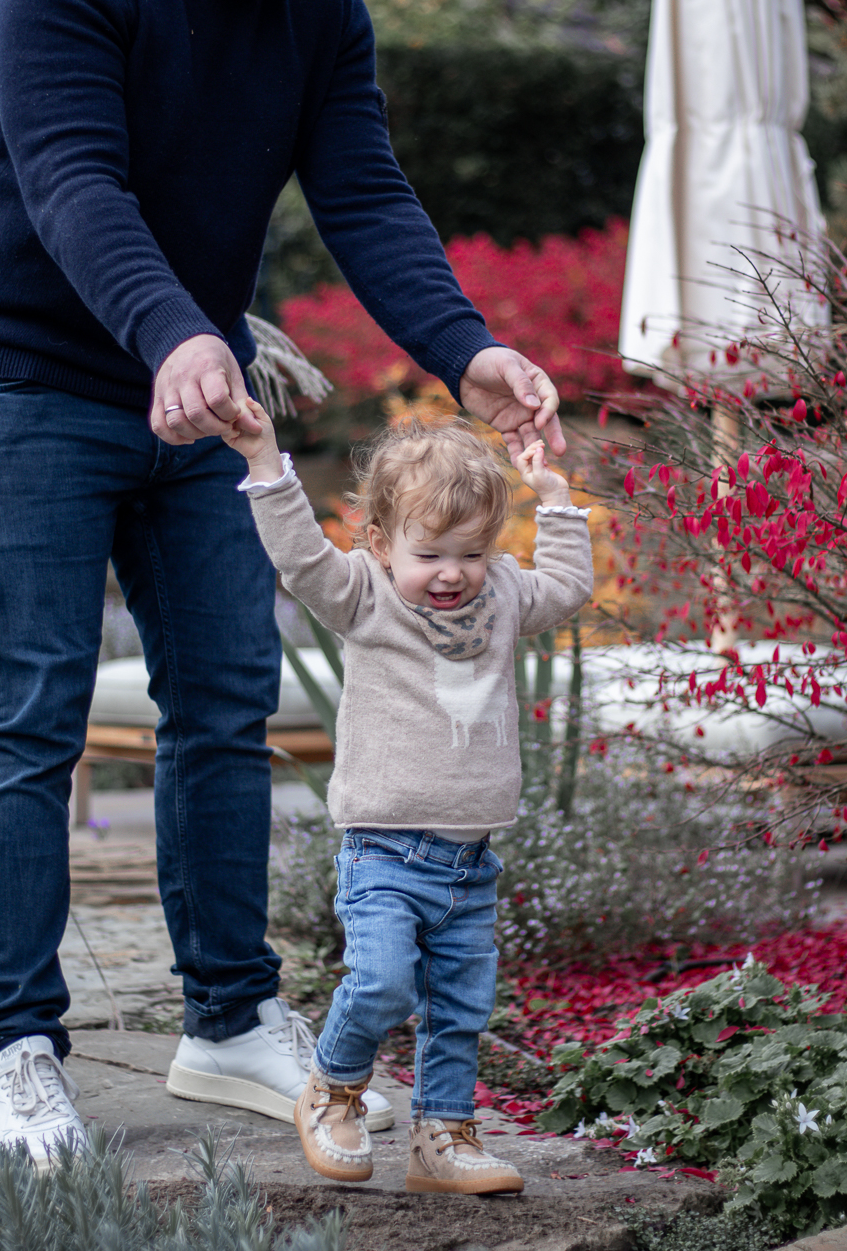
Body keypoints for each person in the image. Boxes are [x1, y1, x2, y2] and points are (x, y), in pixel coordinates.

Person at [0, 0, 569, 1169]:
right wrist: (172, 330)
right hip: (30, 383)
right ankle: (19, 1045)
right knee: (31, 711)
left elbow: (365, 192)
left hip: (207, 401)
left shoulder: (318, 5)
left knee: (225, 704)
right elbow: (73, 178)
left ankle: (227, 1017)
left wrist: (465, 348)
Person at [221, 404, 593, 1192]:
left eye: (472, 553)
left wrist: (557, 502)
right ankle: (333, 1089)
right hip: (384, 851)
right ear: (381, 543)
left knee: (461, 1008)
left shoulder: (504, 596)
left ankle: (442, 1137)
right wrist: (265, 463)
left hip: (470, 862)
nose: (452, 572)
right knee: (383, 981)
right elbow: (301, 558)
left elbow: (567, 586)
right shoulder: (364, 595)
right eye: (430, 554)